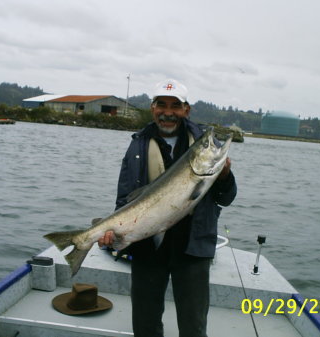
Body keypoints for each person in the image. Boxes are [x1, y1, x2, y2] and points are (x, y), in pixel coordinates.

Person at [98, 79, 237, 337]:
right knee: (145, 323)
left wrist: (225, 176)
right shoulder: (137, 145)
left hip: (193, 247)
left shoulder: (202, 143)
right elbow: (125, 200)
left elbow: (226, 198)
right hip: (147, 246)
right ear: (152, 108)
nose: (168, 112)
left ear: (187, 110)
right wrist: (113, 233)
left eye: (176, 106)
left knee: (194, 325)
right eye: (161, 105)